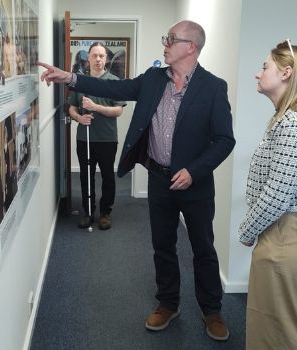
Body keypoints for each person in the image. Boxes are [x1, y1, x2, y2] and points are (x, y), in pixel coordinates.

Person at [38, 20, 237, 341]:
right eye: (166, 37)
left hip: (195, 185)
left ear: (191, 47)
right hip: (159, 179)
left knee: (203, 248)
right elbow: (114, 88)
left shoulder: (214, 87)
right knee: (162, 245)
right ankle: (168, 303)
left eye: (171, 39)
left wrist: (194, 171)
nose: (165, 43)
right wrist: (70, 77)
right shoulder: (153, 80)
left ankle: (212, 310)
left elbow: (225, 140)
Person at [239, 40, 297, 350]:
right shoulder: (290, 117)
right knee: (272, 319)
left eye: (265, 67)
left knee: (281, 326)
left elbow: (278, 193)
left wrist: (247, 232)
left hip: (287, 232)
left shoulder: (295, 123)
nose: (258, 73)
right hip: (283, 229)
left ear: (286, 72)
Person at [68, 42, 126, 230]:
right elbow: (71, 108)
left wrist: (95, 107)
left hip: (107, 139)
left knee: (108, 176)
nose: (98, 59)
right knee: (86, 176)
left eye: (102, 56)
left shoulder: (114, 81)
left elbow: (118, 111)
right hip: (85, 139)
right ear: (89, 58)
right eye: (95, 55)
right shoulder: (80, 82)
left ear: (106, 59)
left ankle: (105, 213)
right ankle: (88, 212)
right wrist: (78, 117)